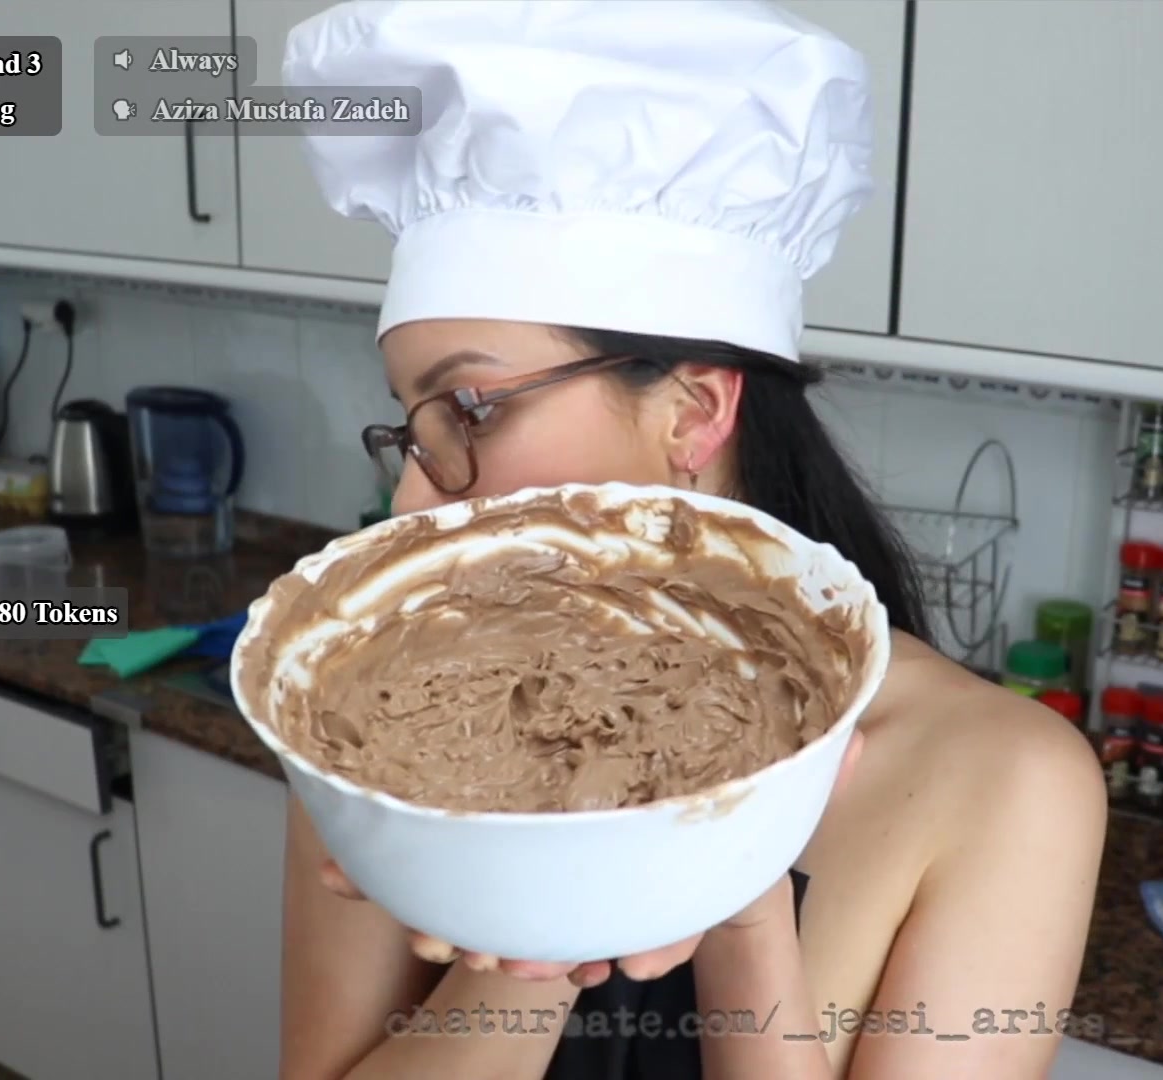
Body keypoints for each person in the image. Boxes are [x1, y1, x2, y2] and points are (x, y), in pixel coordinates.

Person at [277, 3, 1107, 1078]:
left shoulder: (1002, 779)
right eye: (412, 424)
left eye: (470, 409)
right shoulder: (369, 728)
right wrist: (533, 923)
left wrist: (736, 885)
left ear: (695, 411)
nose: (408, 499)